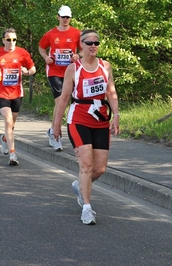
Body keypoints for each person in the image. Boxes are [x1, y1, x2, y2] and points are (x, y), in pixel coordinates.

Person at [52, 29, 120, 225]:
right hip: (79, 119)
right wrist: (56, 125)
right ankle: (87, 208)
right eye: (89, 43)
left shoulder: (105, 66)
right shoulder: (74, 69)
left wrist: (116, 115)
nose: (93, 46)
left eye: (96, 43)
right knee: (86, 165)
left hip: (100, 120)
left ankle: (80, 185)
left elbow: (111, 93)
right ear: (80, 45)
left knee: (99, 169)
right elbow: (64, 98)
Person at [0, 28, 36, 166]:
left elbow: (33, 69)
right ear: (3, 40)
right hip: (2, 93)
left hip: (17, 94)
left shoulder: (22, 53)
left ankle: (4, 138)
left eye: (14, 39)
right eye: (8, 39)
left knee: (11, 125)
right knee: (8, 122)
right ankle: (12, 154)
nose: (11, 42)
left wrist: (27, 72)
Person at [38, 5, 82, 151]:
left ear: (70, 18)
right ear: (58, 17)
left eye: (67, 17)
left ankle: (52, 130)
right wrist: (46, 57)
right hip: (54, 72)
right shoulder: (51, 34)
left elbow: (83, 50)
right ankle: (57, 135)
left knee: (65, 104)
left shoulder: (76, 33)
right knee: (60, 101)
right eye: (63, 17)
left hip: (70, 72)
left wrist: (78, 56)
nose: (65, 19)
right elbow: (41, 47)